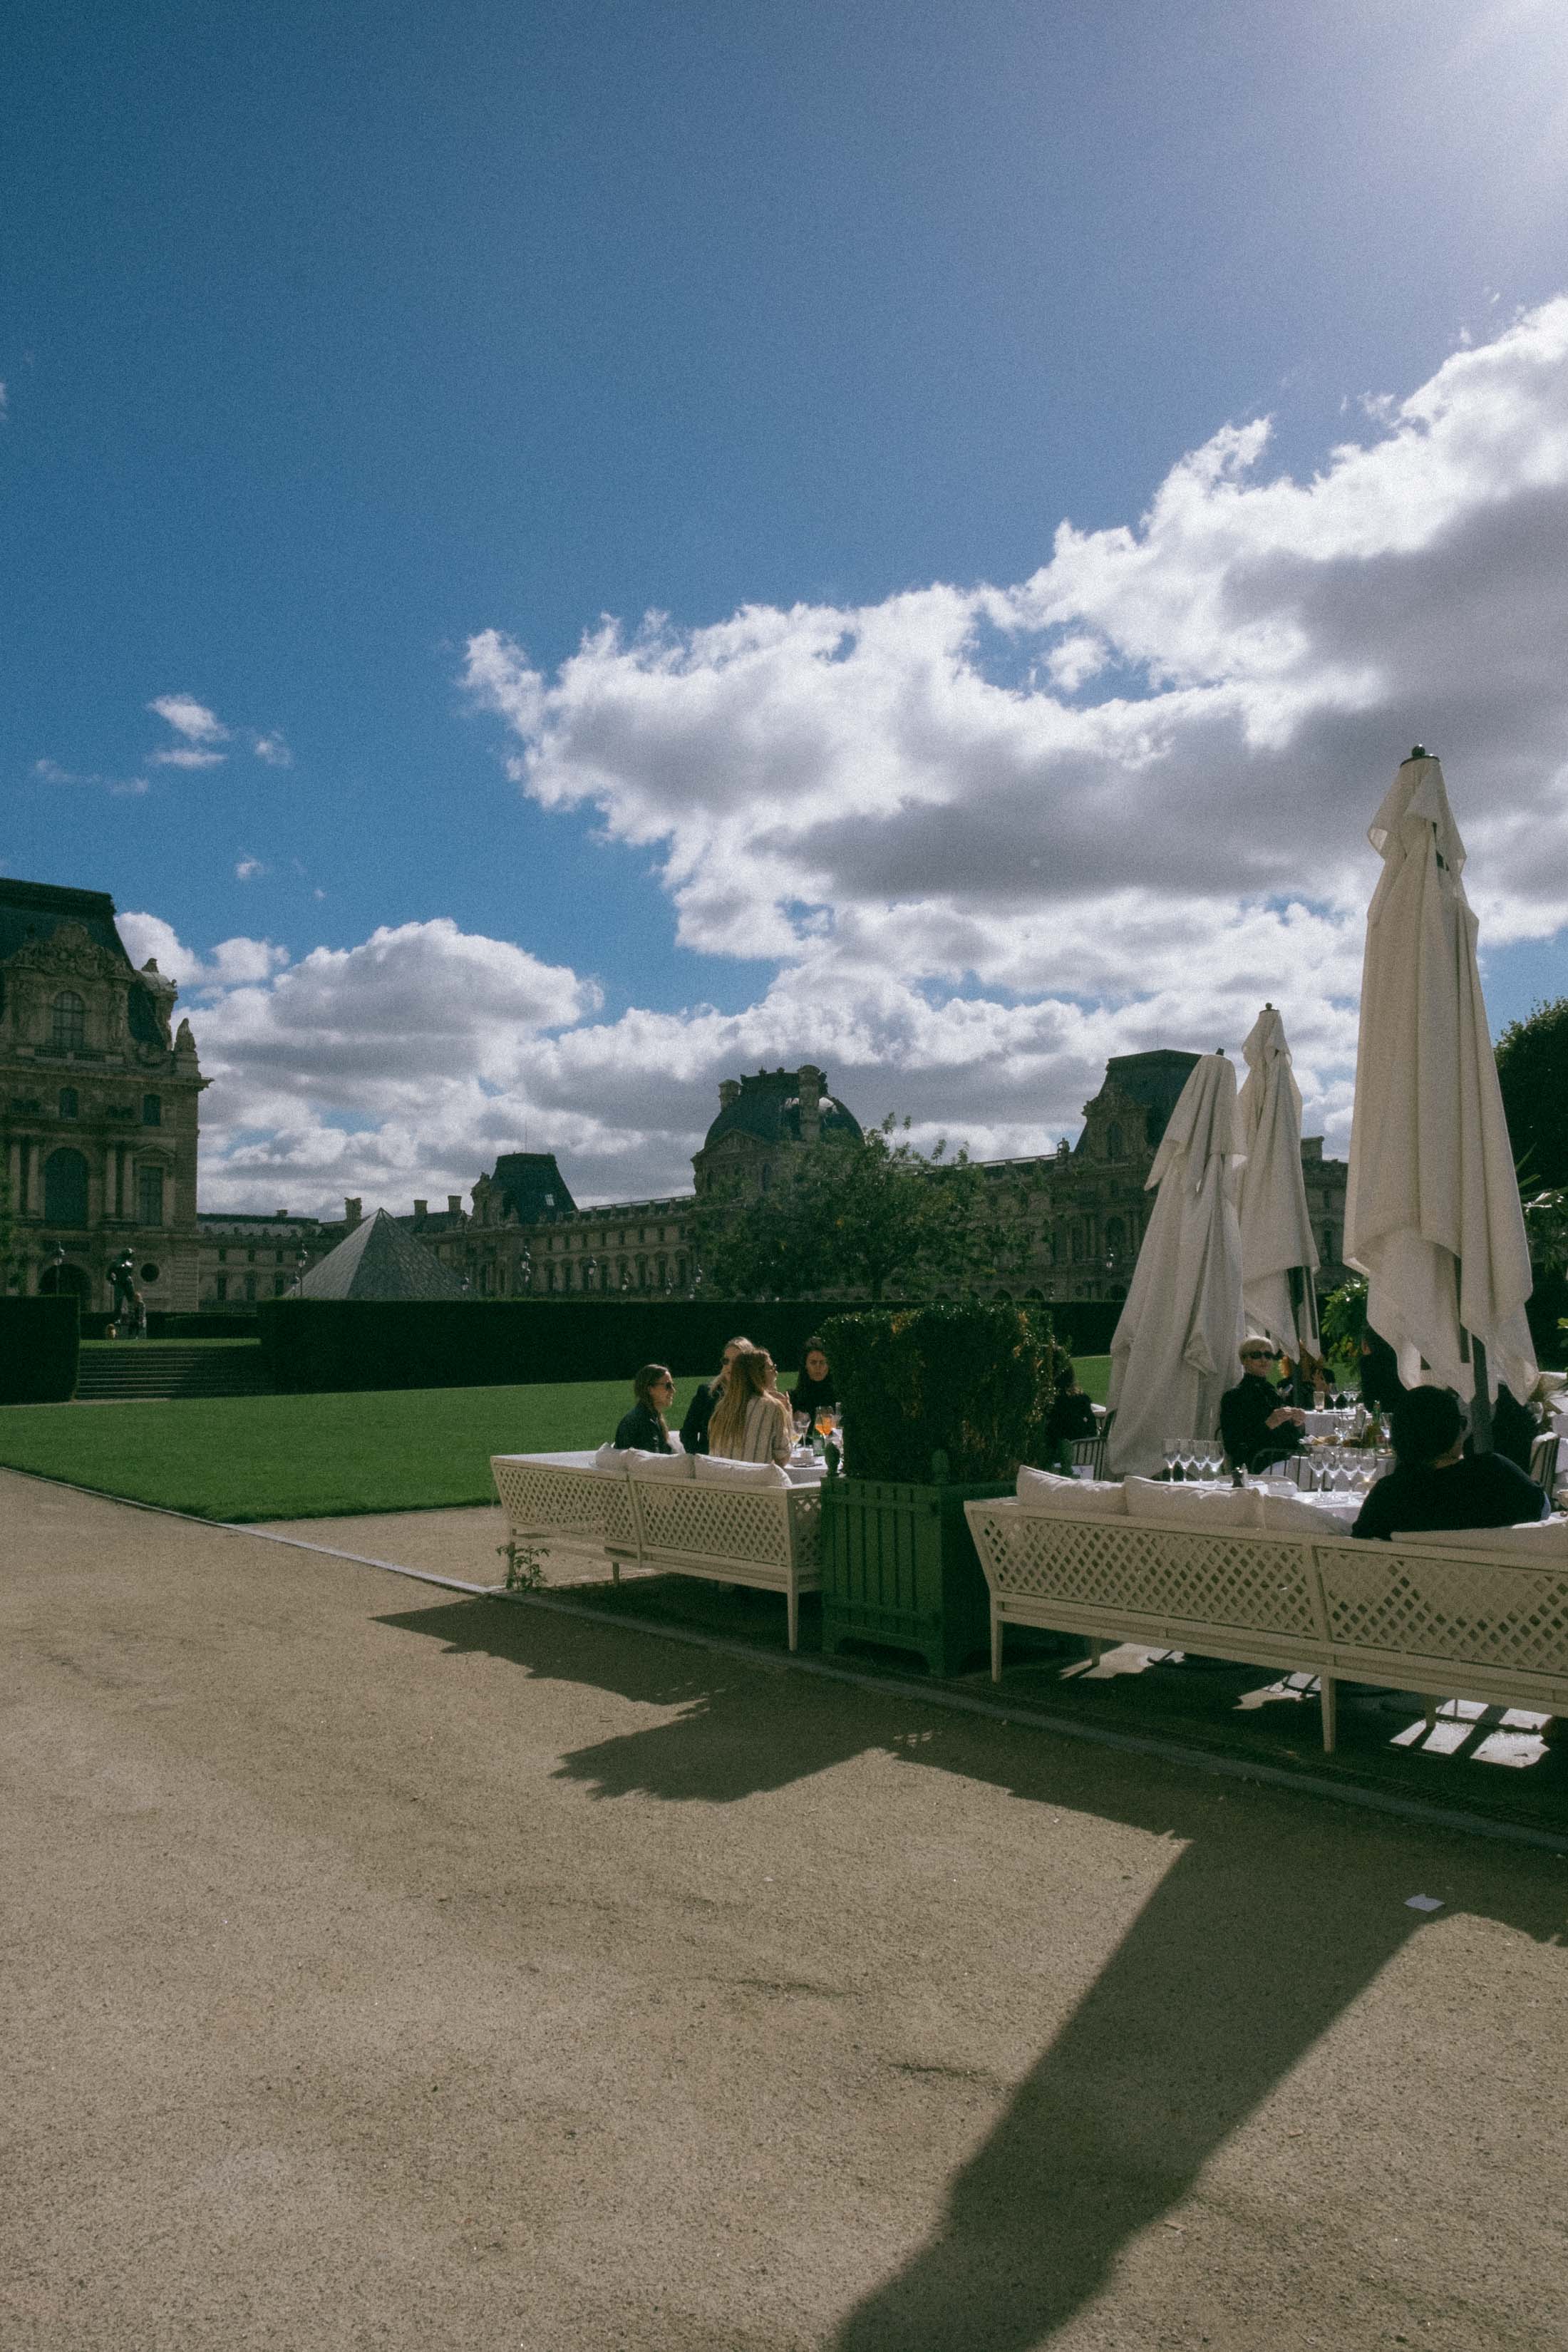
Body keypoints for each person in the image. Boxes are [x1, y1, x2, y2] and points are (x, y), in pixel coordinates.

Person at [1353, 1384, 1549, 1541]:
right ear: (1454, 1431)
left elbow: (1360, 1544)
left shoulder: (1386, 1496)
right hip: (1494, 1587)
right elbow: (1543, 1509)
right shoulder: (1495, 1474)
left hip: (1412, 1589)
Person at [1219, 1337, 1306, 1472]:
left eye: (1268, 1355)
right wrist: (1268, 1425)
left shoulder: (1272, 1393)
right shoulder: (1234, 1397)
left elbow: (1291, 1439)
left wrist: (1297, 1424)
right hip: (1255, 1466)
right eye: (1256, 1355)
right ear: (1244, 1360)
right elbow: (1233, 1445)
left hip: (1283, 1463)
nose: (1264, 1360)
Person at [706, 1346, 792, 1465]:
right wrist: (788, 1416)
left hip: (722, 1480)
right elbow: (782, 1459)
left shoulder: (721, 1408)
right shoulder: (773, 1408)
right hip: (757, 1481)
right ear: (759, 1374)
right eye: (772, 1368)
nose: (776, 1373)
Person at [679, 1334, 754, 1456]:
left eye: (736, 1362)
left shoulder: (756, 1398)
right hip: (710, 1465)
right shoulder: (707, 1394)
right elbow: (688, 1433)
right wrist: (700, 1457)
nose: (730, 1366)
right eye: (726, 1361)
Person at [1044, 1361, 1098, 1473]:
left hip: (1057, 1466)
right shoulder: (1082, 1399)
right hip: (1086, 1464)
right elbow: (1092, 1428)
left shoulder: (1051, 1404)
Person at [614, 1363, 676, 1454]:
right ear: (650, 1390)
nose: (673, 1390)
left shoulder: (648, 1416)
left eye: (673, 1385)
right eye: (668, 1386)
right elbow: (654, 1462)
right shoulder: (645, 1422)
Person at [790, 1340, 835, 1431]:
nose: (818, 1367)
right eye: (813, 1363)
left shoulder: (839, 1397)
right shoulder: (794, 1399)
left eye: (822, 1362)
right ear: (806, 1365)